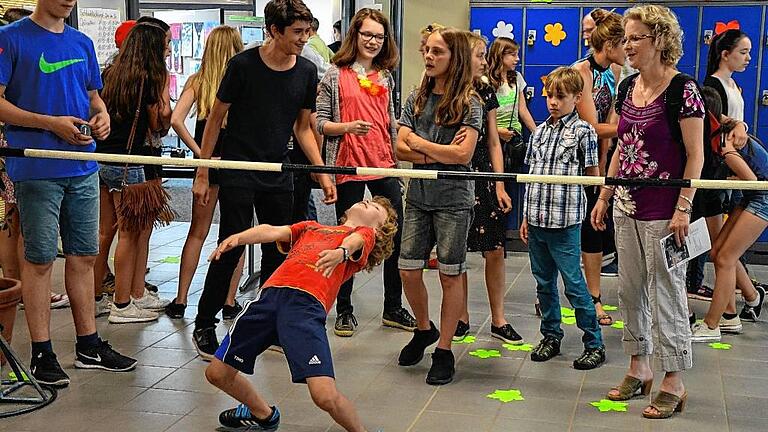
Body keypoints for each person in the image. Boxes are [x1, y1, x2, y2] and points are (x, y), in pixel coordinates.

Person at [0, 0, 136, 386]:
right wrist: (49, 124)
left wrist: (103, 115)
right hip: (38, 168)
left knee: (84, 255)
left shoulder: (81, 43)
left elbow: (94, 97)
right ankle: (42, 352)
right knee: (40, 257)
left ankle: (89, 343)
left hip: (83, 166)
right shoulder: (11, 39)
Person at [191, 0, 336, 360]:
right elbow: (215, 119)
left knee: (279, 249)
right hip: (239, 167)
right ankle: (204, 322)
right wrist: (204, 169)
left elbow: (302, 127)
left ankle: (266, 323)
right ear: (273, 31)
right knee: (232, 244)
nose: (305, 38)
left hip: (278, 170)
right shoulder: (242, 65)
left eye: (308, 31)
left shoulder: (305, 71)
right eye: (297, 32)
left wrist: (321, 171)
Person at [592, 4, 704, 419]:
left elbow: (696, 156)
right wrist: (605, 195)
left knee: (667, 293)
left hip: (666, 210)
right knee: (629, 289)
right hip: (626, 205)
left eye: (635, 38)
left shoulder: (684, 89)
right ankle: (639, 367)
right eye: (625, 39)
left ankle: (673, 377)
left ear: (659, 40)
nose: (627, 46)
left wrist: (683, 208)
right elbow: (621, 145)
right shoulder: (626, 87)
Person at [204, 197, 397, 432]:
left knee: (324, 396)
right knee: (216, 373)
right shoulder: (311, 227)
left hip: (305, 309)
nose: (369, 202)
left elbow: (357, 240)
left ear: (380, 229)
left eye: (377, 208)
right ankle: (263, 414)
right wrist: (238, 238)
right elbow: (272, 231)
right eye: (370, 201)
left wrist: (341, 253)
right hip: (267, 300)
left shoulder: (365, 234)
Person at [316, 7, 415, 337]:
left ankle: (393, 307)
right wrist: (345, 127)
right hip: (348, 167)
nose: (373, 41)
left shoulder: (385, 76)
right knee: (348, 239)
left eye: (379, 36)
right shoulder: (334, 75)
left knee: (394, 237)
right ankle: (344, 308)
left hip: (383, 164)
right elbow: (318, 122)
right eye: (367, 34)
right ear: (354, 36)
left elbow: (389, 124)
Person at [395, 28, 482, 386]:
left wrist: (418, 142)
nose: (428, 57)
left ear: (455, 57)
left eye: (438, 52)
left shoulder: (470, 102)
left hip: (454, 201)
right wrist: (435, 150)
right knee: (408, 270)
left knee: (450, 274)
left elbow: (463, 156)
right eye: (427, 50)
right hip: (418, 197)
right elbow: (398, 150)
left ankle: (444, 349)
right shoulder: (416, 97)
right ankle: (423, 328)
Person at [519, 66, 605, 370]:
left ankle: (593, 341)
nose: (553, 102)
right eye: (549, 96)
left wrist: (597, 208)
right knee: (543, 283)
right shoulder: (539, 132)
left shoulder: (583, 132)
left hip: (565, 221)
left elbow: (593, 176)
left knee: (573, 283)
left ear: (577, 97)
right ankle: (550, 335)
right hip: (538, 218)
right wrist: (526, 217)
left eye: (561, 96)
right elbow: (530, 176)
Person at [167, 25, 246, 320]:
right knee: (235, 234)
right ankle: (228, 301)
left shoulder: (198, 81)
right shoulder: (243, 80)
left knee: (197, 233)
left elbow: (176, 119)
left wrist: (201, 153)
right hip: (237, 164)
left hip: (208, 165)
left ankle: (180, 299)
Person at [97, 23, 173, 324]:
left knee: (106, 233)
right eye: (165, 43)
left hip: (104, 160)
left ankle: (102, 296)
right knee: (131, 235)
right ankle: (123, 302)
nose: (169, 48)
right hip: (134, 165)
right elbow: (158, 124)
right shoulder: (151, 79)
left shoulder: (110, 74)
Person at [455, 32, 521, 345]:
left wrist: (500, 183)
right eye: (480, 55)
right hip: (456, 176)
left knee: (494, 248)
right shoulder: (445, 89)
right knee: (455, 251)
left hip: (484, 175)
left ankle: (499, 318)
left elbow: (494, 140)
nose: (485, 61)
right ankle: (460, 315)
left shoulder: (484, 90)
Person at [687, 29, 755, 310]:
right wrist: (737, 126)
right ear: (725, 55)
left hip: (732, 166)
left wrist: (742, 126)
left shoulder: (732, 85)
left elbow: (736, 124)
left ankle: (742, 298)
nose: (749, 58)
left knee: (724, 246)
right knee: (720, 246)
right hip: (717, 171)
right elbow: (719, 126)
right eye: (743, 52)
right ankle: (739, 301)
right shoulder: (712, 88)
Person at [691, 89, 766, 342]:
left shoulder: (725, 144)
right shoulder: (722, 127)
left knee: (724, 258)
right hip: (752, 196)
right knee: (718, 254)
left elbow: (752, 180)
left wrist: (727, 175)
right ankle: (732, 317)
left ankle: (711, 325)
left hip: (762, 195)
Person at [573, 9, 624, 326]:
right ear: (611, 45)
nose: (628, 49)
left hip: (596, 161)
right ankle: (547, 293)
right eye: (625, 43)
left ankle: (594, 298)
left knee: (593, 231)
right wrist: (636, 127)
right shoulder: (582, 72)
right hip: (571, 162)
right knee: (563, 232)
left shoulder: (614, 73)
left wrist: (603, 169)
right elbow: (590, 126)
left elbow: (610, 124)